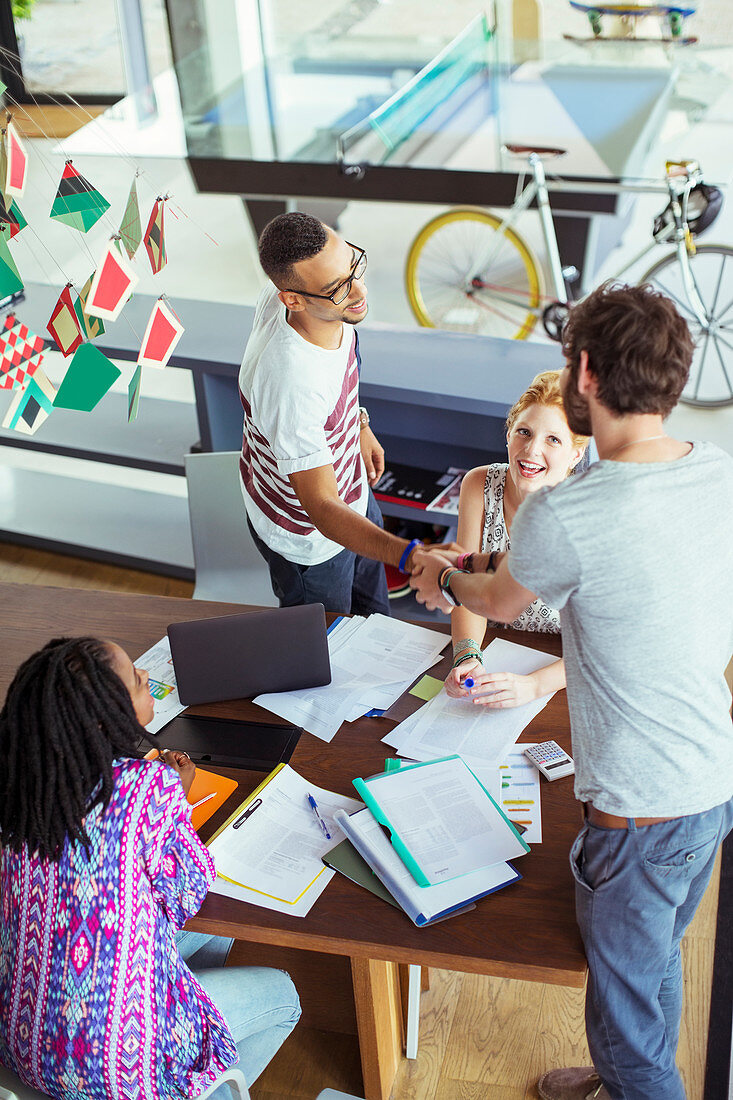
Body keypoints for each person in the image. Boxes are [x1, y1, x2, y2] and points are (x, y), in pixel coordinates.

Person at [409, 282, 733, 1100]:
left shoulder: (575, 510)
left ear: (583, 373)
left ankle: (628, 1079)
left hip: (638, 811)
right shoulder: (716, 470)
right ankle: (622, 1078)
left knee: (625, 1034)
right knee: (652, 960)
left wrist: (445, 573)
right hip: (710, 782)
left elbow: (491, 603)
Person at [0, 636, 300, 1099]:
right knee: (284, 997)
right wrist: (174, 798)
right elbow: (187, 892)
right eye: (138, 681)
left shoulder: (18, 783)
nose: (147, 679)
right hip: (113, 1064)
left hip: (24, 1043)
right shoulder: (144, 788)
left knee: (219, 932)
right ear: (105, 717)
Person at [239, 211, 443, 615]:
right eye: (337, 289)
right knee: (330, 657)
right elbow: (323, 509)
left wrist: (359, 424)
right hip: (311, 540)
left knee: (376, 623)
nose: (359, 291)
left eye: (354, 266)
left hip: (355, 495)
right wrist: (412, 557)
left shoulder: (317, 307)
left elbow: (335, 380)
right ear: (291, 299)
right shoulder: (291, 381)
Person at [445, 370, 587, 707]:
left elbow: (605, 643)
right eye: (524, 432)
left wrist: (534, 686)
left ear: (576, 455)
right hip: (496, 651)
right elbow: (467, 584)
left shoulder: (588, 510)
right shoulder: (478, 485)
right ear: (508, 435)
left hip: (563, 670)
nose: (532, 450)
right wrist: (468, 656)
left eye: (554, 439)